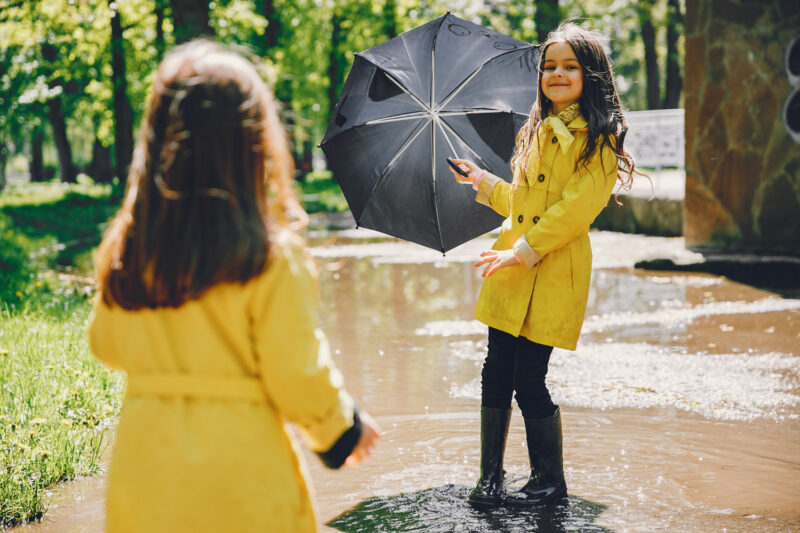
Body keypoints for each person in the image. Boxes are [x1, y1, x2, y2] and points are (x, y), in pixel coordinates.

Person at [88, 40, 380, 533]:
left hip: (145, 477)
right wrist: (340, 428)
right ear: (255, 145)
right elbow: (295, 370)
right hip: (242, 480)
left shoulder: (134, 249)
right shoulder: (268, 257)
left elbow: (107, 344)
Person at [449, 23, 642, 508]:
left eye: (569, 66)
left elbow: (575, 211)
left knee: (529, 376)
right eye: (549, 66)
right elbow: (523, 203)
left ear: (590, 74)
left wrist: (523, 250)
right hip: (509, 266)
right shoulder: (534, 129)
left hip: (551, 267)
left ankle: (549, 480)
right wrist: (485, 182)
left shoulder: (599, 137)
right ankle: (489, 477)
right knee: (495, 370)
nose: (556, 74)